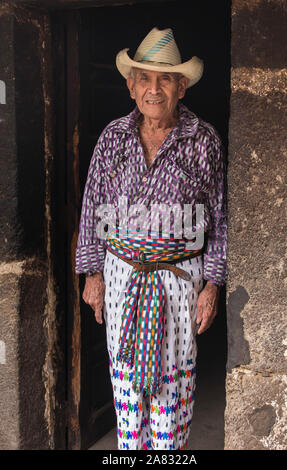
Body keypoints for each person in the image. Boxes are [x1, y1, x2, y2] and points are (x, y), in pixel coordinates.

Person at [75, 27, 227, 450]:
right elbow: (91, 209)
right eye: (144, 78)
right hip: (121, 275)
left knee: (171, 391)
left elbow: (218, 217)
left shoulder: (203, 140)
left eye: (165, 79)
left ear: (182, 86)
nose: (153, 89)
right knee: (125, 392)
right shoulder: (112, 139)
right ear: (130, 86)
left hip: (179, 280)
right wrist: (91, 274)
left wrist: (211, 285)